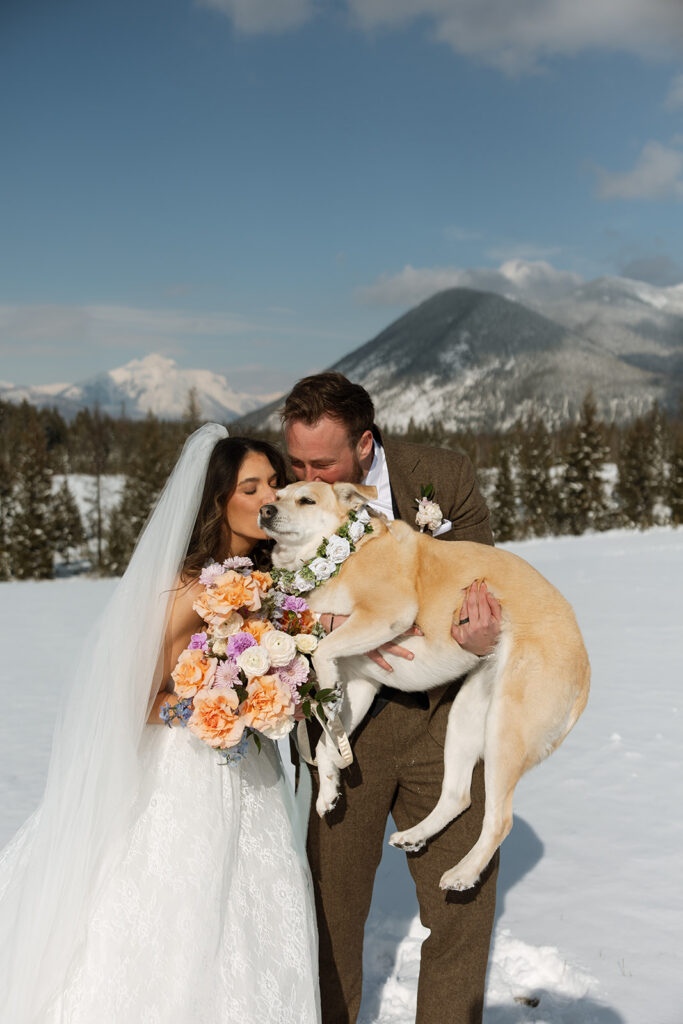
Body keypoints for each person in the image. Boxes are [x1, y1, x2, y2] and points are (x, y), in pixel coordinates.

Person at [0, 426, 321, 1024]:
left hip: (249, 771)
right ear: (218, 500)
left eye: (276, 482)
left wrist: (275, 695)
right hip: (185, 771)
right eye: (250, 487)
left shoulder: (269, 582)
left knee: (251, 911)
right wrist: (204, 710)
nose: (268, 496)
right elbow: (135, 697)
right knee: (180, 908)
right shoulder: (184, 588)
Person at [282, 372, 502, 1024]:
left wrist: (482, 632)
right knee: (330, 910)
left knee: (461, 902)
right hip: (346, 731)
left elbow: (478, 577)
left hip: (445, 719)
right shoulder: (283, 491)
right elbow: (272, 597)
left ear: (364, 445)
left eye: (320, 463)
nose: (303, 473)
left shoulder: (442, 476)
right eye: (295, 460)